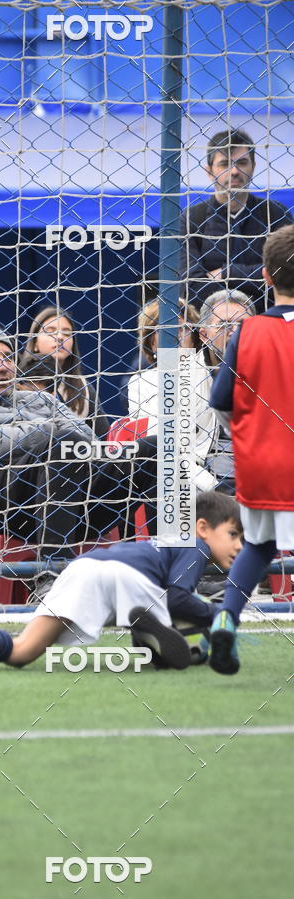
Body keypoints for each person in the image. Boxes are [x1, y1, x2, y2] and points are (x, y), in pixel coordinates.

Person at [0, 323, 160, 597]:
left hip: (79, 503)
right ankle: (52, 575)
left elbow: (87, 440)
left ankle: (164, 564)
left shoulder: (38, 398)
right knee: (63, 442)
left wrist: (46, 435)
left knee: (156, 448)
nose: (3, 366)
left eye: (8, 358)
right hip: (6, 507)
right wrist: (49, 431)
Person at [0, 492, 242, 671]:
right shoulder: (193, 545)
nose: (240, 546)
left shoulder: (165, 544)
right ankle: (150, 641)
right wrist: (219, 616)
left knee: (22, 652)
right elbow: (178, 597)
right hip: (132, 582)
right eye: (233, 534)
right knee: (185, 613)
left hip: (83, 567)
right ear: (201, 528)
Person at [208, 224, 294, 675]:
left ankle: (226, 616)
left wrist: (251, 430)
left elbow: (220, 399)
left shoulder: (247, 331)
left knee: (258, 546)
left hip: (262, 462)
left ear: (264, 276)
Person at [180, 128, 293, 310]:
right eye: (225, 164)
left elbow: (286, 275)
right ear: (209, 171)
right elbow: (189, 286)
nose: (234, 171)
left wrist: (228, 272)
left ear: (253, 166)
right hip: (213, 328)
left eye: (242, 162)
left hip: (267, 322)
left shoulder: (275, 213)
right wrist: (235, 308)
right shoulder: (192, 217)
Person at [126, 298, 217, 492]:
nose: (174, 335)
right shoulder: (141, 382)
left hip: (213, 464)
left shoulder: (206, 367)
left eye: (181, 328)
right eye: (164, 329)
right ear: (151, 342)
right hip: (169, 474)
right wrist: (207, 483)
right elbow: (159, 444)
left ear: (194, 336)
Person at [19, 306, 109, 435]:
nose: (60, 337)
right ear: (35, 343)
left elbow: (104, 436)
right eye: (50, 331)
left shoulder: (83, 388)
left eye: (67, 333)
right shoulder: (17, 381)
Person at [197, 288, 254, 494]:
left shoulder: (276, 373)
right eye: (224, 324)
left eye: (242, 325)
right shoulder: (182, 374)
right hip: (201, 493)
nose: (234, 332)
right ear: (204, 334)